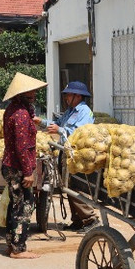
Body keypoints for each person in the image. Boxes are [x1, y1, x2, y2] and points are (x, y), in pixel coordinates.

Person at [33, 81, 97, 231]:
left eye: (69, 95)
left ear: (78, 96)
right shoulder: (70, 111)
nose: (66, 97)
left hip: (78, 155)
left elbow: (80, 132)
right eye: (66, 94)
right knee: (67, 187)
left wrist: (60, 129)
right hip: (66, 153)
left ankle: (90, 219)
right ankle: (78, 220)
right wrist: (41, 122)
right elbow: (57, 123)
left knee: (76, 188)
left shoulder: (85, 111)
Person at [1, 72, 48, 259]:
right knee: (23, 206)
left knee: (16, 204)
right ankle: (18, 249)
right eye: (31, 93)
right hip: (17, 167)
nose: (34, 95)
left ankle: (12, 245)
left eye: (34, 92)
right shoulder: (20, 114)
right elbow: (22, 147)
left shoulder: (15, 110)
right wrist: (28, 172)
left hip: (12, 166)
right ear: (21, 95)